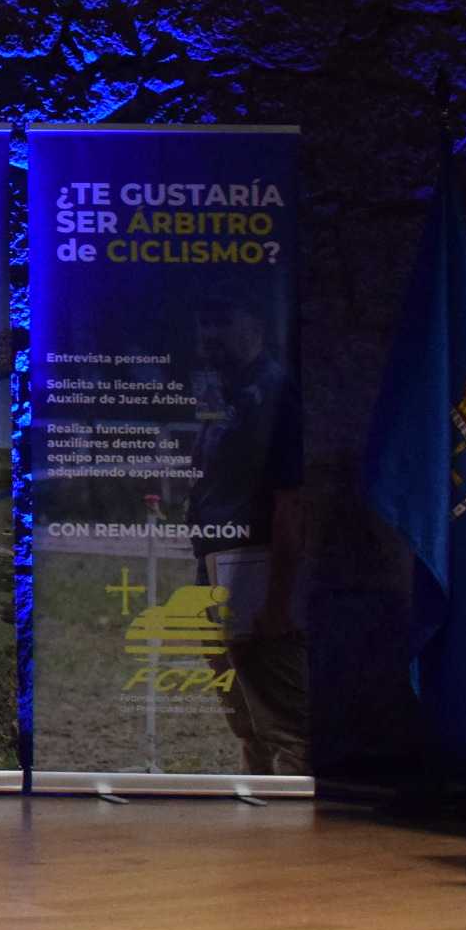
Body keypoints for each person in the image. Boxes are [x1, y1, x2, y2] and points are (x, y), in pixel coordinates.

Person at [191, 296, 310, 776]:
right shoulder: (228, 389)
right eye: (204, 323)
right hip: (214, 563)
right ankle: (255, 818)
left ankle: (293, 837)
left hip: (255, 572)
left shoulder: (275, 392)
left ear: (256, 322)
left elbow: (291, 501)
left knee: (284, 719)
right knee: (243, 716)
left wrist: (278, 601)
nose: (210, 335)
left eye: (222, 318)